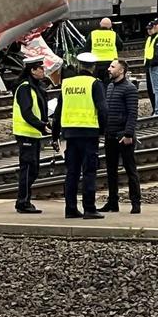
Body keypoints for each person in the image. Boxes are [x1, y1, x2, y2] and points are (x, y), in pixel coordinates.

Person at [51, 52, 107, 220]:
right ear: (93, 67)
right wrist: (103, 130)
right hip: (89, 133)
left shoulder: (67, 84)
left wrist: (55, 136)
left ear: (78, 66)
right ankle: (89, 208)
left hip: (69, 133)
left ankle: (70, 209)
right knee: (89, 171)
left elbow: (58, 112)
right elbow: (103, 109)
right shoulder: (95, 84)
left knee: (72, 172)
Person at [99, 59, 140, 214]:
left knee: (130, 170)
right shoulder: (110, 87)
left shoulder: (129, 88)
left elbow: (132, 112)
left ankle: (135, 203)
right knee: (111, 170)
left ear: (121, 70)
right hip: (111, 135)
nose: (109, 69)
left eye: (112, 67)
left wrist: (129, 133)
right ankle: (112, 202)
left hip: (124, 136)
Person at [11, 56, 51, 214]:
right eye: (40, 68)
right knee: (28, 169)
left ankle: (24, 200)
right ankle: (23, 202)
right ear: (32, 70)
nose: (43, 70)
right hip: (26, 133)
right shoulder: (25, 88)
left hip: (33, 133)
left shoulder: (35, 87)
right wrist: (42, 125)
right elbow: (27, 112)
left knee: (33, 169)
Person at [89, 17, 123, 84]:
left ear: (100, 25)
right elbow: (120, 46)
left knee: (97, 83)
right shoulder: (113, 34)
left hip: (96, 64)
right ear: (110, 26)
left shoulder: (93, 34)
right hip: (110, 64)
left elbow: (86, 49)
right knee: (109, 84)